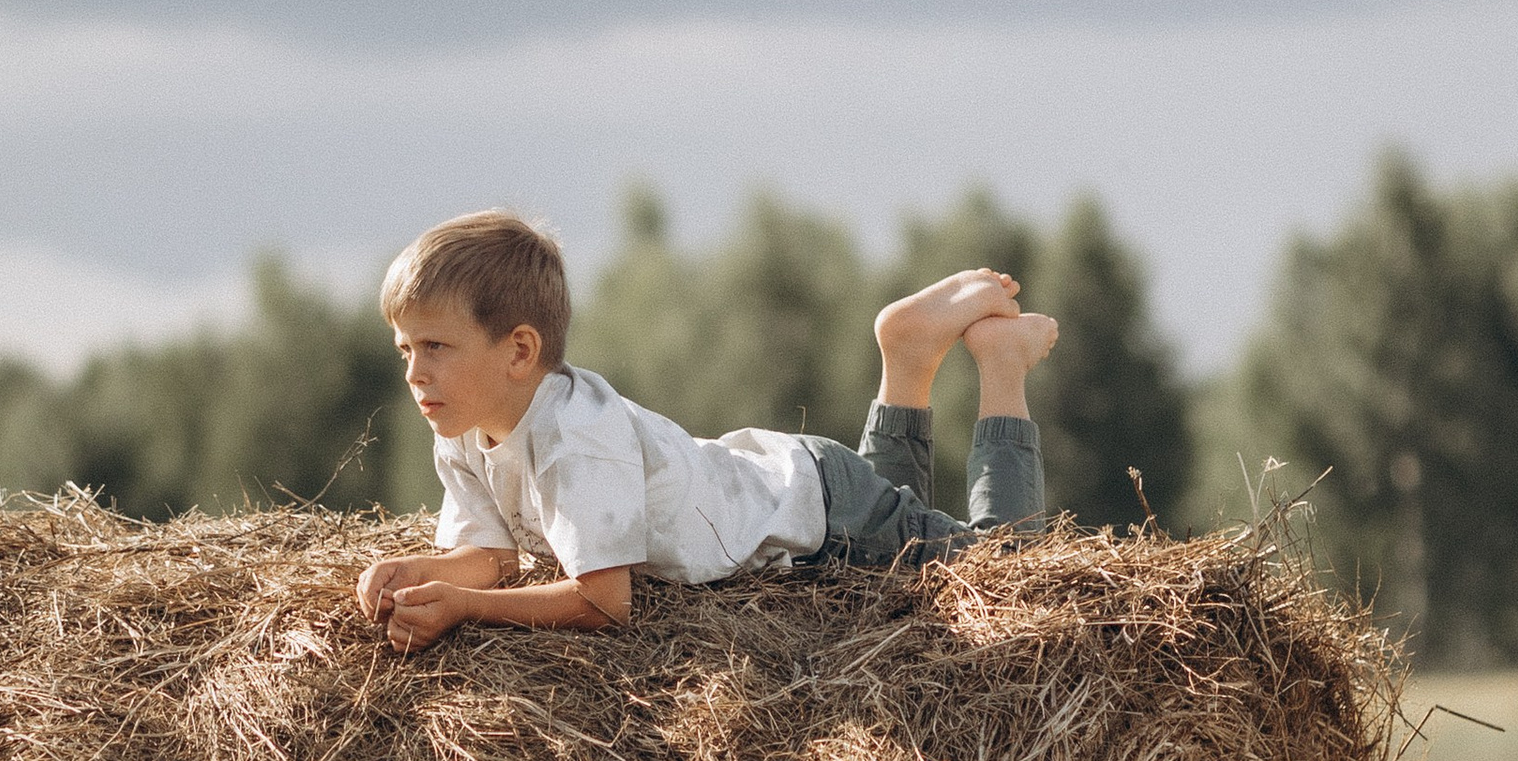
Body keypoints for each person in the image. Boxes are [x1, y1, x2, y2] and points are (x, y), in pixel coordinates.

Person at [355, 210, 1055, 650]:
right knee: (903, 536)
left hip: (817, 512)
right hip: (783, 479)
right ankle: (908, 358)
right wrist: (417, 577)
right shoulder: (463, 422)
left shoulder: (577, 438)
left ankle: (1001, 362)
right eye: (406, 351)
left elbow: (604, 602)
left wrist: (467, 610)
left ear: (518, 351)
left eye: (435, 348)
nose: (415, 372)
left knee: (1011, 571)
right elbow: (492, 557)